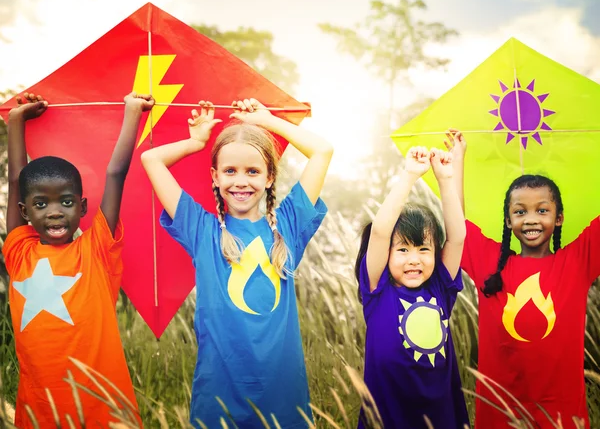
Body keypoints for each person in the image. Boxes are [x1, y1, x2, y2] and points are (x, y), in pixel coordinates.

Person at [141, 98, 333, 428]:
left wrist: (266, 120)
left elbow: (322, 151)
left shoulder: (288, 225)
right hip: (219, 396)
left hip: (283, 396)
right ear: (215, 177)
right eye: (230, 171)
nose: (241, 181)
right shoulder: (201, 230)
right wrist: (195, 142)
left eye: (253, 171)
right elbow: (151, 159)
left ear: (270, 177)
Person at [3, 92, 153, 428]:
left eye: (66, 202)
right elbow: (16, 182)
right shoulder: (19, 251)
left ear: (82, 208)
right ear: (25, 212)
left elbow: (115, 174)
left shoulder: (96, 248)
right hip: (42, 407)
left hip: (101, 405)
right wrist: (15, 121)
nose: (55, 213)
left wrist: (131, 111)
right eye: (41, 205)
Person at [446, 129, 599, 428]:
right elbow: (455, 226)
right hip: (500, 411)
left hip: (561, 413)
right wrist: (456, 162)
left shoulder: (576, 262)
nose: (530, 218)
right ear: (508, 220)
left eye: (542, 210)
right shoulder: (490, 264)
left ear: (559, 218)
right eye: (520, 211)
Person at [354, 146, 469, 429]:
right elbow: (381, 231)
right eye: (403, 249)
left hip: (439, 414)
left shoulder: (440, 288)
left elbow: (457, 237)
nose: (414, 260)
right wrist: (409, 176)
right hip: (388, 414)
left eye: (423, 249)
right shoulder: (377, 290)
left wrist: (445, 179)